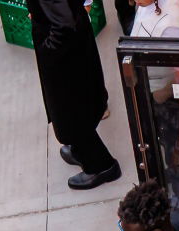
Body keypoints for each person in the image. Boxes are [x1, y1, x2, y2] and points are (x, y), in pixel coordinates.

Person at [25, 0, 120, 189]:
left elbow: (64, 25)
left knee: (71, 110)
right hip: (71, 45)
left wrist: (48, 50)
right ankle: (80, 150)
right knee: (74, 103)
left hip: (64, 56)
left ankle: (101, 165)